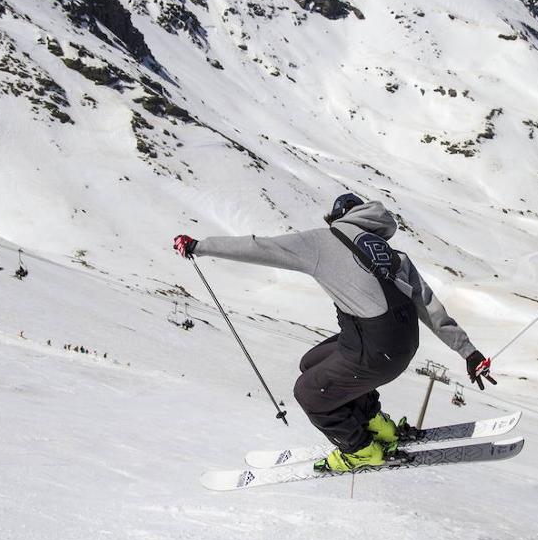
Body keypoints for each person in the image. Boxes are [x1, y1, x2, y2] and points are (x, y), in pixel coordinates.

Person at [173, 192, 495, 473]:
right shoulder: (392, 254)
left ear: (336, 219)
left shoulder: (323, 241)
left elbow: (261, 247)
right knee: (312, 362)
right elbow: (429, 306)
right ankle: (377, 426)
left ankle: (361, 450)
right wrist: (469, 353)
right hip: (402, 346)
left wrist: (200, 246)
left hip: (375, 351)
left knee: (308, 392)